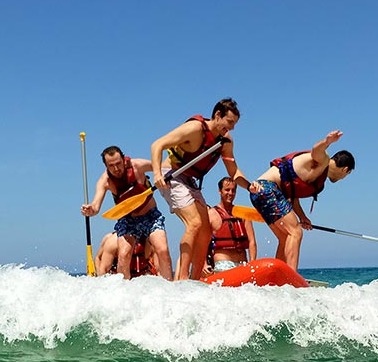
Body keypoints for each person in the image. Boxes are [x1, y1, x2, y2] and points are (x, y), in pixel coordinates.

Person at [150, 99, 255, 281]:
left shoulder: (226, 141)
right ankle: (182, 279)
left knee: (206, 231)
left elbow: (234, 171)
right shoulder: (195, 129)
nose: (232, 128)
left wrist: (250, 186)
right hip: (171, 175)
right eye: (230, 122)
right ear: (217, 115)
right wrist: (157, 173)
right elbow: (157, 145)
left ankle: (196, 279)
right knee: (195, 223)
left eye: (235, 124)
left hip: (189, 180)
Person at [249, 130, 354, 271]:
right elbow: (316, 150)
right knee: (295, 232)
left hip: (261, 192)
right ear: (345, 170)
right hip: (267, 189)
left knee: (285, 236)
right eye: (347, 175)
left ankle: (276, 276)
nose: (343, 178)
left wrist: (302, 217)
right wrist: (327, 141)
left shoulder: (317, 174)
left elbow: (292, 196)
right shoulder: (323, 161)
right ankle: (291, 277)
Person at [81, 146, 173, 280]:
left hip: (150, 216)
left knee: (162, 249)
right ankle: (124, 292)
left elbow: (160, 167)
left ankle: (169, 287)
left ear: (124, 160)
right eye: (111, 166)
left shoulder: (138, 166)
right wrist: (90, 209)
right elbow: (96, 206)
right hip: (128, 219)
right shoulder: (105, 181)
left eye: (118, 163)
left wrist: (160, 177)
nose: (116, 169)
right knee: (124, 255)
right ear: (106, 166)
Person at [204, 176, 258, 274]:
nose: (230, 193)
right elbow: (202, 242)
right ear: (220, 191)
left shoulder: (243, 214)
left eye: (233, 190)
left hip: (242, 263)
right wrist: (204, 264)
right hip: (223, 263)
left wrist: (252, 264)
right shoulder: (211, 214)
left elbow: (252, 242)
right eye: (227, 190)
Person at [95, 232, 161, 277]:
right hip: (116, 276)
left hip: (141, 278)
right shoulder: (112, 241)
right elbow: (101, 264)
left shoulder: (149, 242)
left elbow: (159, 271)